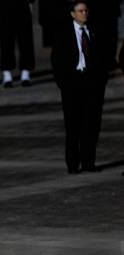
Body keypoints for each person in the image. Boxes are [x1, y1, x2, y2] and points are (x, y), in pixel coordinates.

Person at [51, 0, 110, 174]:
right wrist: (64, 84)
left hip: (92, 83)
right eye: (80, 11)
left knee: (91, 125)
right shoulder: (63, 34)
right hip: (73, 83)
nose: (84, 13)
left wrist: (101, 81)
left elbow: (103, 56)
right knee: (73, 125)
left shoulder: (95, 30)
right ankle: (72, 163)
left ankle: (88, 162)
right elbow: (57, 60)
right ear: (72, 14)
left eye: (86, 10)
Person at [0, 0, 36, 87]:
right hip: (6, 7)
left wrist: (30, 1)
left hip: (23, 6)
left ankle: (25, 73)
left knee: (25, 41)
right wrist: (0, 6)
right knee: (6, 41)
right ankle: (7, 74)